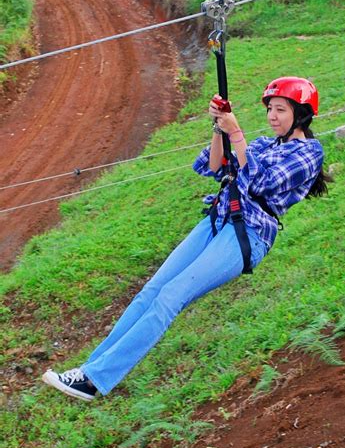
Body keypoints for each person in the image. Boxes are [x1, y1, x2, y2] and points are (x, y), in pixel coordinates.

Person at [42, 77, 329, 401]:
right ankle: (88, 370)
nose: (272, 117)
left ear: (301, 114)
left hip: (247, 235)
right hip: (219, 219)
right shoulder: (264, 144)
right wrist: (219, 127)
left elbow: (261, 181)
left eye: (280, 110)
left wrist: (236, 133)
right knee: (151, 291)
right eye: (270, 110)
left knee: (171, 296)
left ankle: (95, 380)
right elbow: (213, 165)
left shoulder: (308, 153)